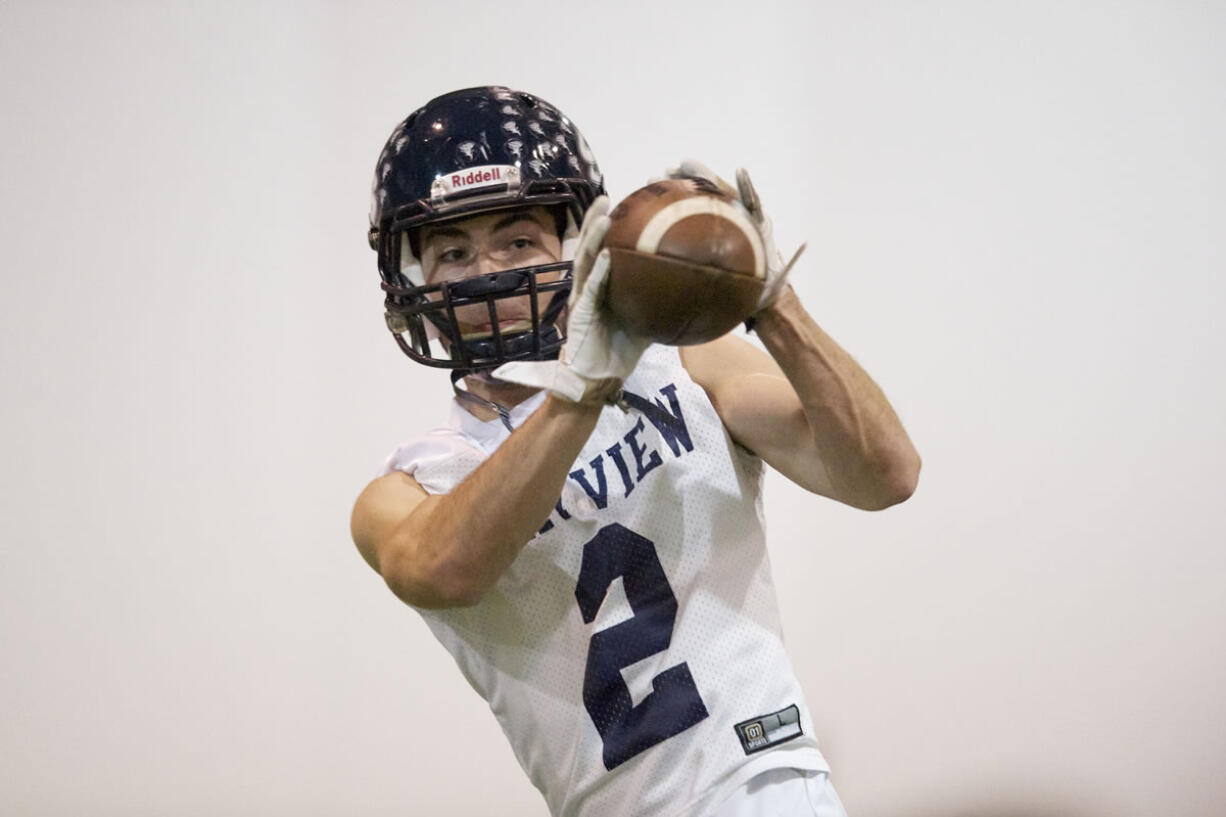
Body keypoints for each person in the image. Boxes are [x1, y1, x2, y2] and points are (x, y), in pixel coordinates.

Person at [351, 86, 920, 817]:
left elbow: (886, 474)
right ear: (415, 278)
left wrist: (774, 304)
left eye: (517, 239)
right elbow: (445, 566)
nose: (488, 270)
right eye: (453, 251)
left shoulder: (694, 367)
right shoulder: (408, 485)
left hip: (762, 788)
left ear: (577, 240)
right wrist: (579, 393)